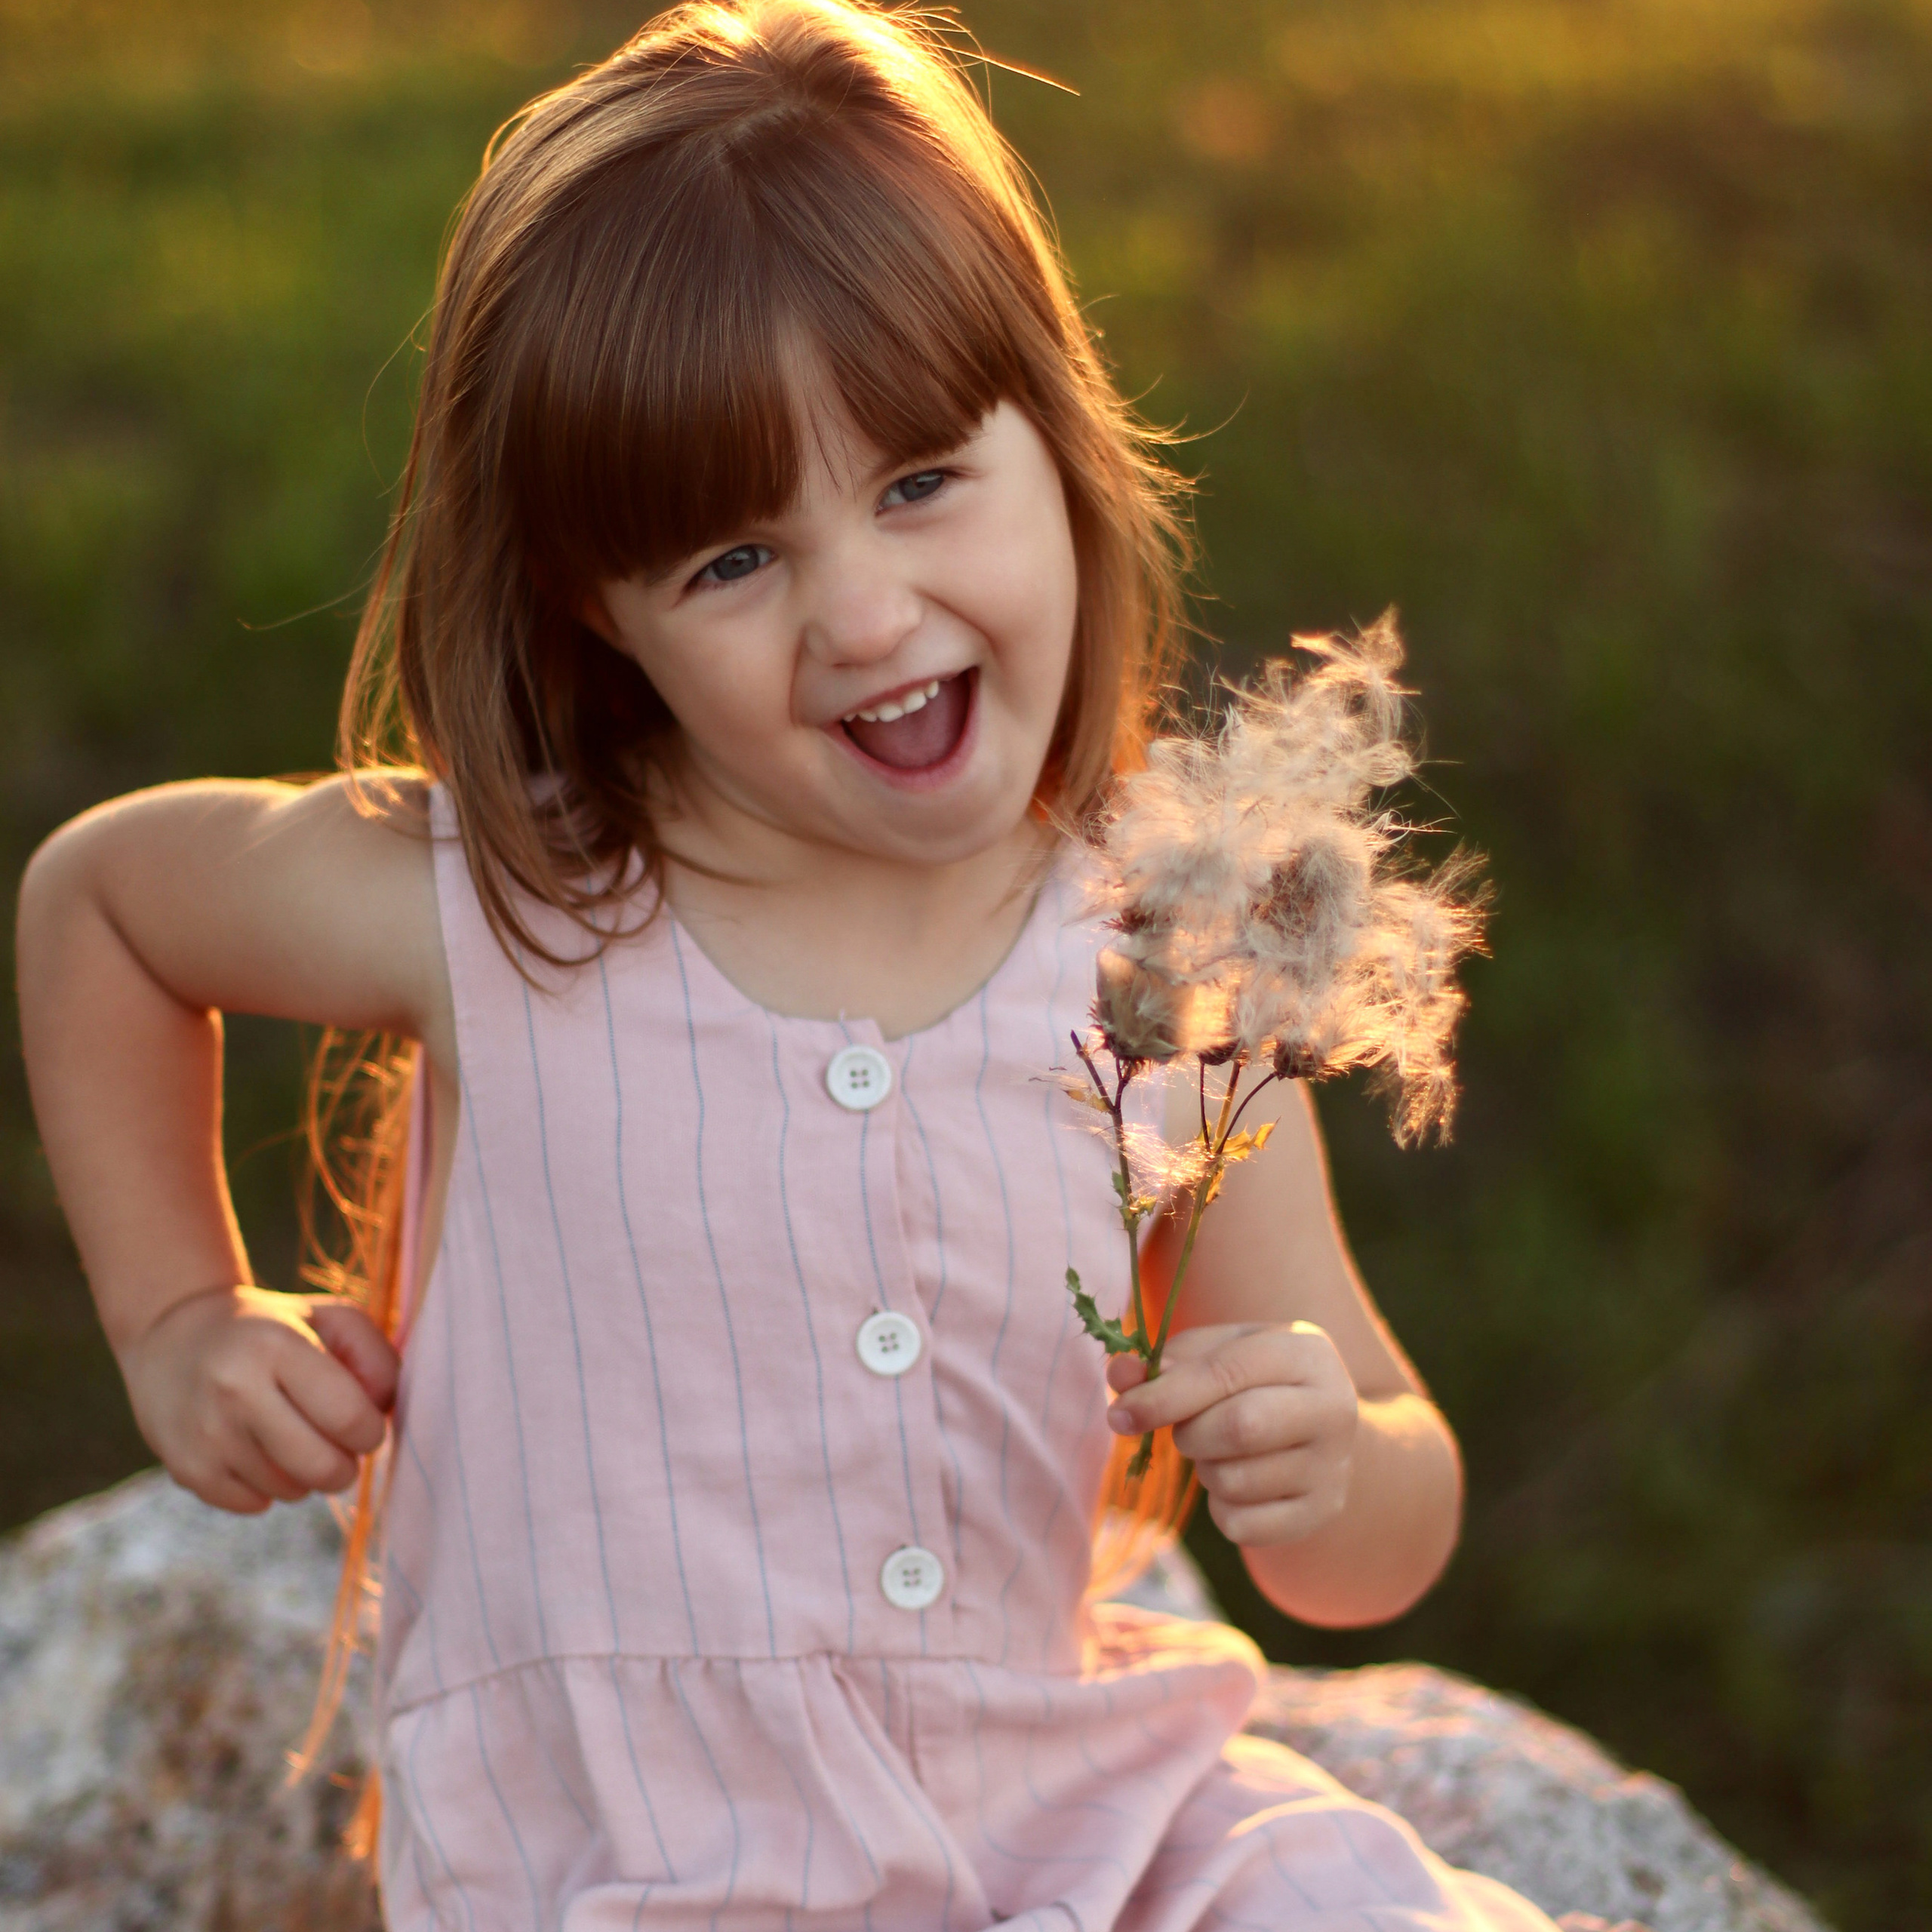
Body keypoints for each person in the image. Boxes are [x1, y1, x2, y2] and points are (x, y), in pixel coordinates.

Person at [14, 4, 1559, 1927]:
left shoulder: (1152, 972)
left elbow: (1383, 1520)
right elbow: (104, 902)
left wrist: (1330, 1458)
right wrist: (181, 1319)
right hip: (640, 1865)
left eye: (921, 482)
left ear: (1055, 441)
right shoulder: (506, 897)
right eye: (731, 560)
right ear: (602, 607)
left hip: (1069, 1819)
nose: (859, 609)